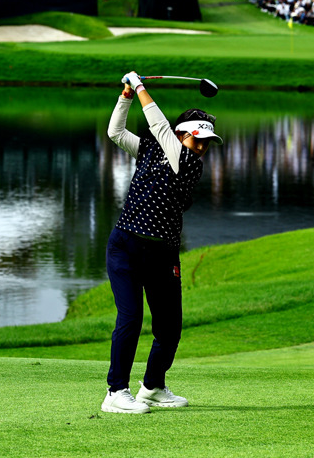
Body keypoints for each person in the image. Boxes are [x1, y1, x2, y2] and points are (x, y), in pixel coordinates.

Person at [101, 70, 223, 414]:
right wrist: (126, 95)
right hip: (125, 245)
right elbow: (116, 132)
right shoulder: (153, 150)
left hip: (162, 252)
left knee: (170, 328)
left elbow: (159, 127)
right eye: (196, 139)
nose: (201, 148)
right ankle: (115, 392)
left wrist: (139, 86)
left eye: (206, 143)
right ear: (181, 134)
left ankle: (152, 387)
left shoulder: (187, 163)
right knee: (130, 318)